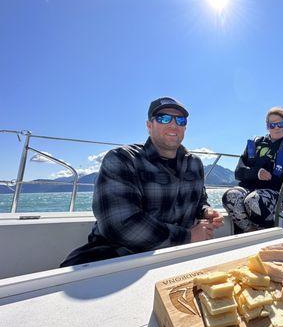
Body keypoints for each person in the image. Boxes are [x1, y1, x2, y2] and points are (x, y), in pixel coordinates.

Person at [61, 97, 223, 266]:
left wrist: (206, 211)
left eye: (180, 120)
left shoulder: (194, 164)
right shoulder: (122, 159)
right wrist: (188, 237)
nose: (173, 125)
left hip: (177, 255)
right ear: (149, 125)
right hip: (120, 254)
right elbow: (121, 225)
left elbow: (199, 200)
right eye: (164, 118)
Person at [222, 107, 283, 233]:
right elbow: (238, 172)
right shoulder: (256, 143)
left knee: (253, 200)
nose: (276, 127)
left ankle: (264, 233)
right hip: (249, 188)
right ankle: (250, 231)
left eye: (279, 124)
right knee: (230, 195)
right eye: (272, 125)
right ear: (267, 126)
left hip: (274, 193)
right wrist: (257, 173)